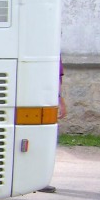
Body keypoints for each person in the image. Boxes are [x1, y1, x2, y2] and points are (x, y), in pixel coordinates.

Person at [39, 58, 66, 193]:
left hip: (40, 97)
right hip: (46, 100)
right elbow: (56, 79)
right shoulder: (52, 51)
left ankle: (39, 179)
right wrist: (60, 101)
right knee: (45, 141)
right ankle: (40, 180)